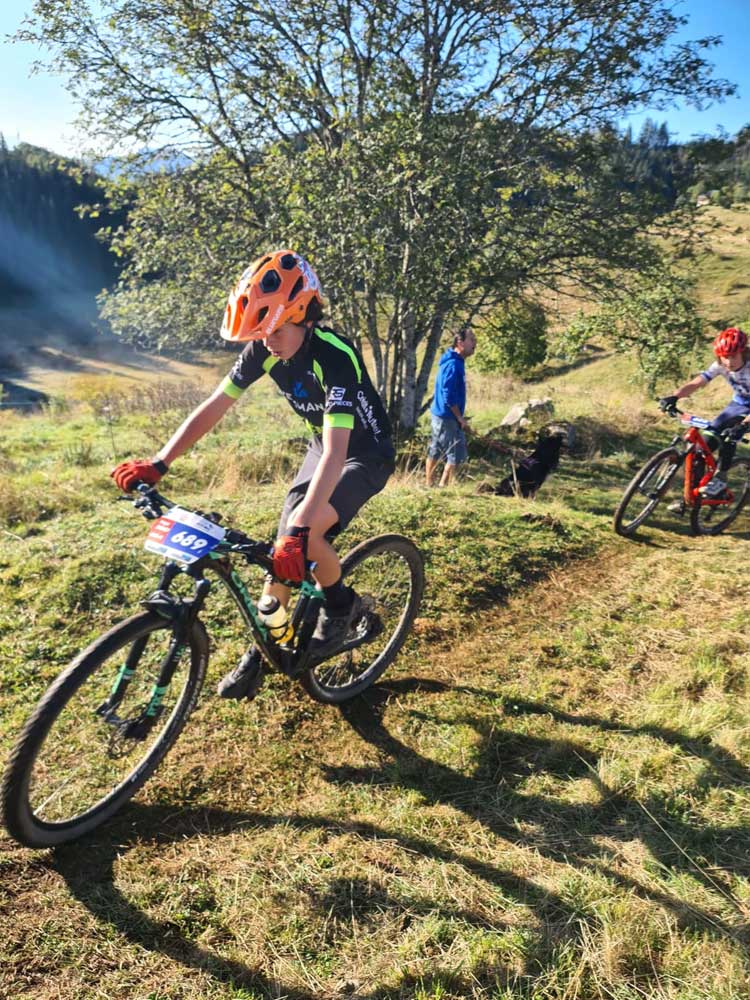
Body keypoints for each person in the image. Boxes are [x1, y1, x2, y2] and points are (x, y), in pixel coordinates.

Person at [111, 250, 395, 700]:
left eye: (276, 331)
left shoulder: (335, 357)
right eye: (261, 333)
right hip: (321, 448)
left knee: (307, 533)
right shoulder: (264, 348)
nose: (268, 342)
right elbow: (216, 405)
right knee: (282, 553)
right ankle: (266, 649)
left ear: (303, 317)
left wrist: (302, 527)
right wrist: (160, 462)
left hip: (363, 456)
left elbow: (339, 452)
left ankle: (342, 606)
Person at [659, 326, 750, 498]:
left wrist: (744, 425)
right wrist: (674, 397)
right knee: (703, 447)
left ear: (743, 352)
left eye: (733, 356)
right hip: (739, 403)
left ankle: (721, 479)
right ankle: (692, 497)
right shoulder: (720, 365)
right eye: (725, 357)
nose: (729, 362)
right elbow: (697, 383)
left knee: (731, 433)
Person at [425, 327, 477, 486]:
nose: (475, 343)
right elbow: (448, 394)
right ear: (460, 343)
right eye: (471, 339)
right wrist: (460, 418)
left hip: (443, 415)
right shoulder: (453, 364)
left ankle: (431, 485)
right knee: (456, 452)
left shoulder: (455, 361)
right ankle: (441, 486)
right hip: (447, 417)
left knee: (436, 449)